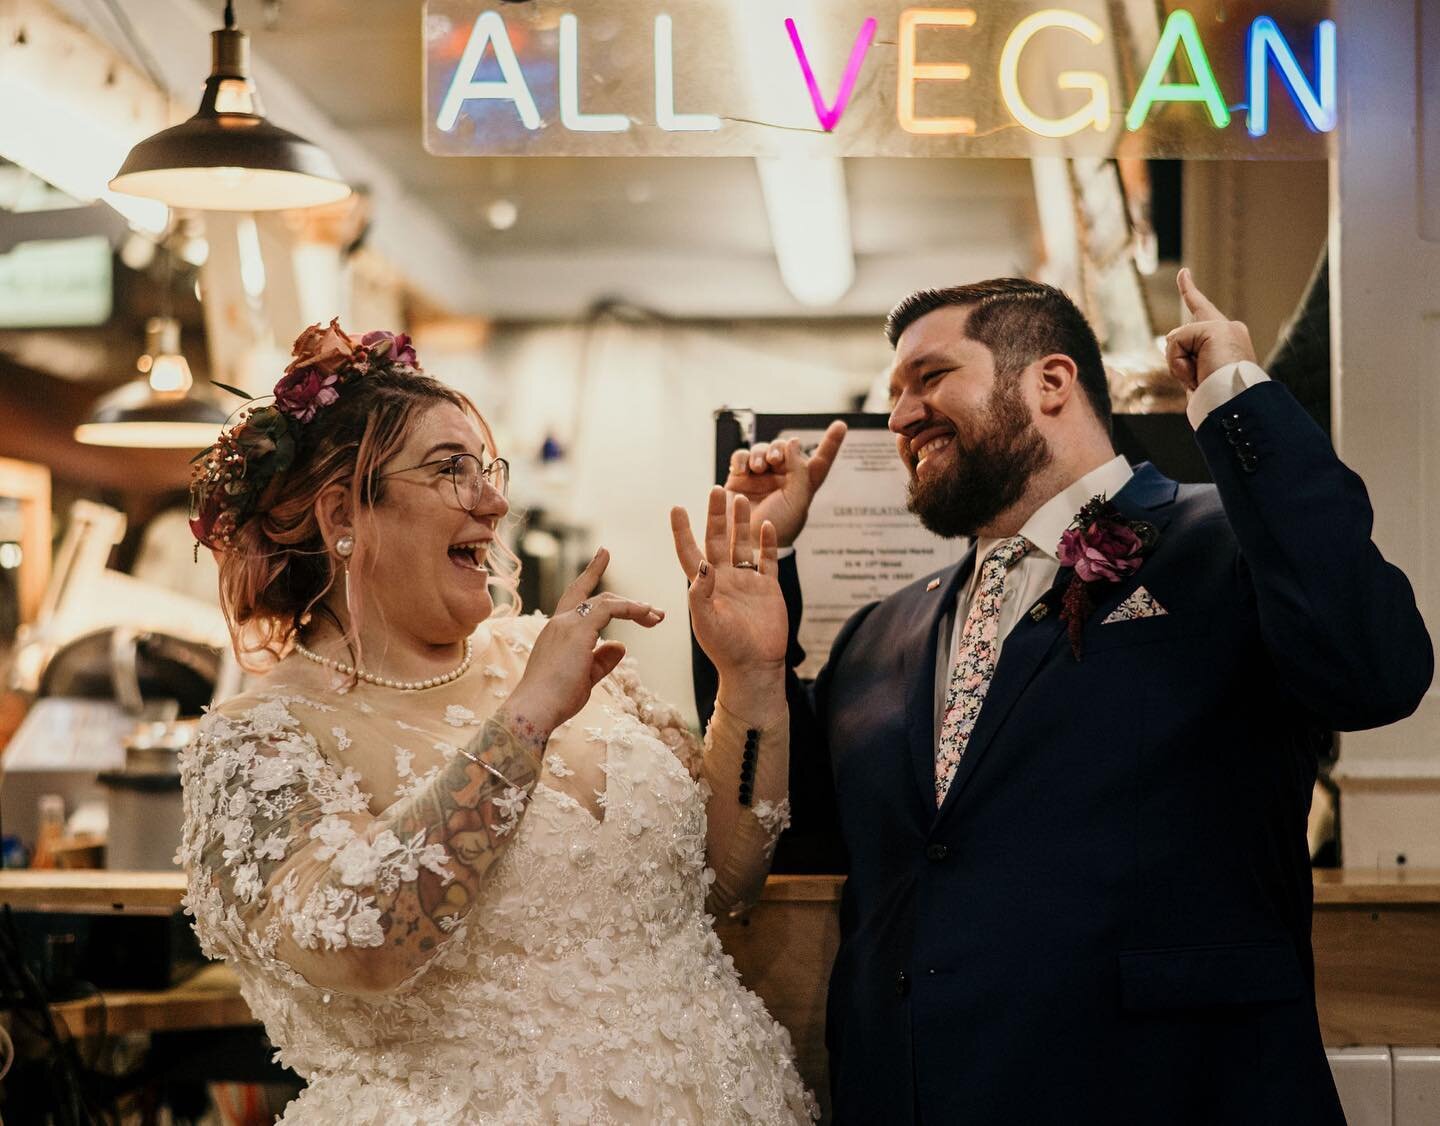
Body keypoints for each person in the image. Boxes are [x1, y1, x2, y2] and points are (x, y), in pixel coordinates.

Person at [715, 272, 1433, 1125]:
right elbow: (782, 822)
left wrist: (1240, 402)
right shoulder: (881, 633)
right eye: (894, 392)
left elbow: (1374, 670)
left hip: (1169, 1091)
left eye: (931, 378)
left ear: (1050, 381)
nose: (900, 416)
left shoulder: (1225, 545)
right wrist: (765, 576)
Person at [178, 319, 816, 1122]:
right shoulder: (260, 737)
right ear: (343, 512)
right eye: (451, 471)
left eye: (486, 470)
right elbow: (364, 943)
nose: (495, 501)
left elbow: (724, 880)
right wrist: (525, 721)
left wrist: (751, 677)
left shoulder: (537, 653)